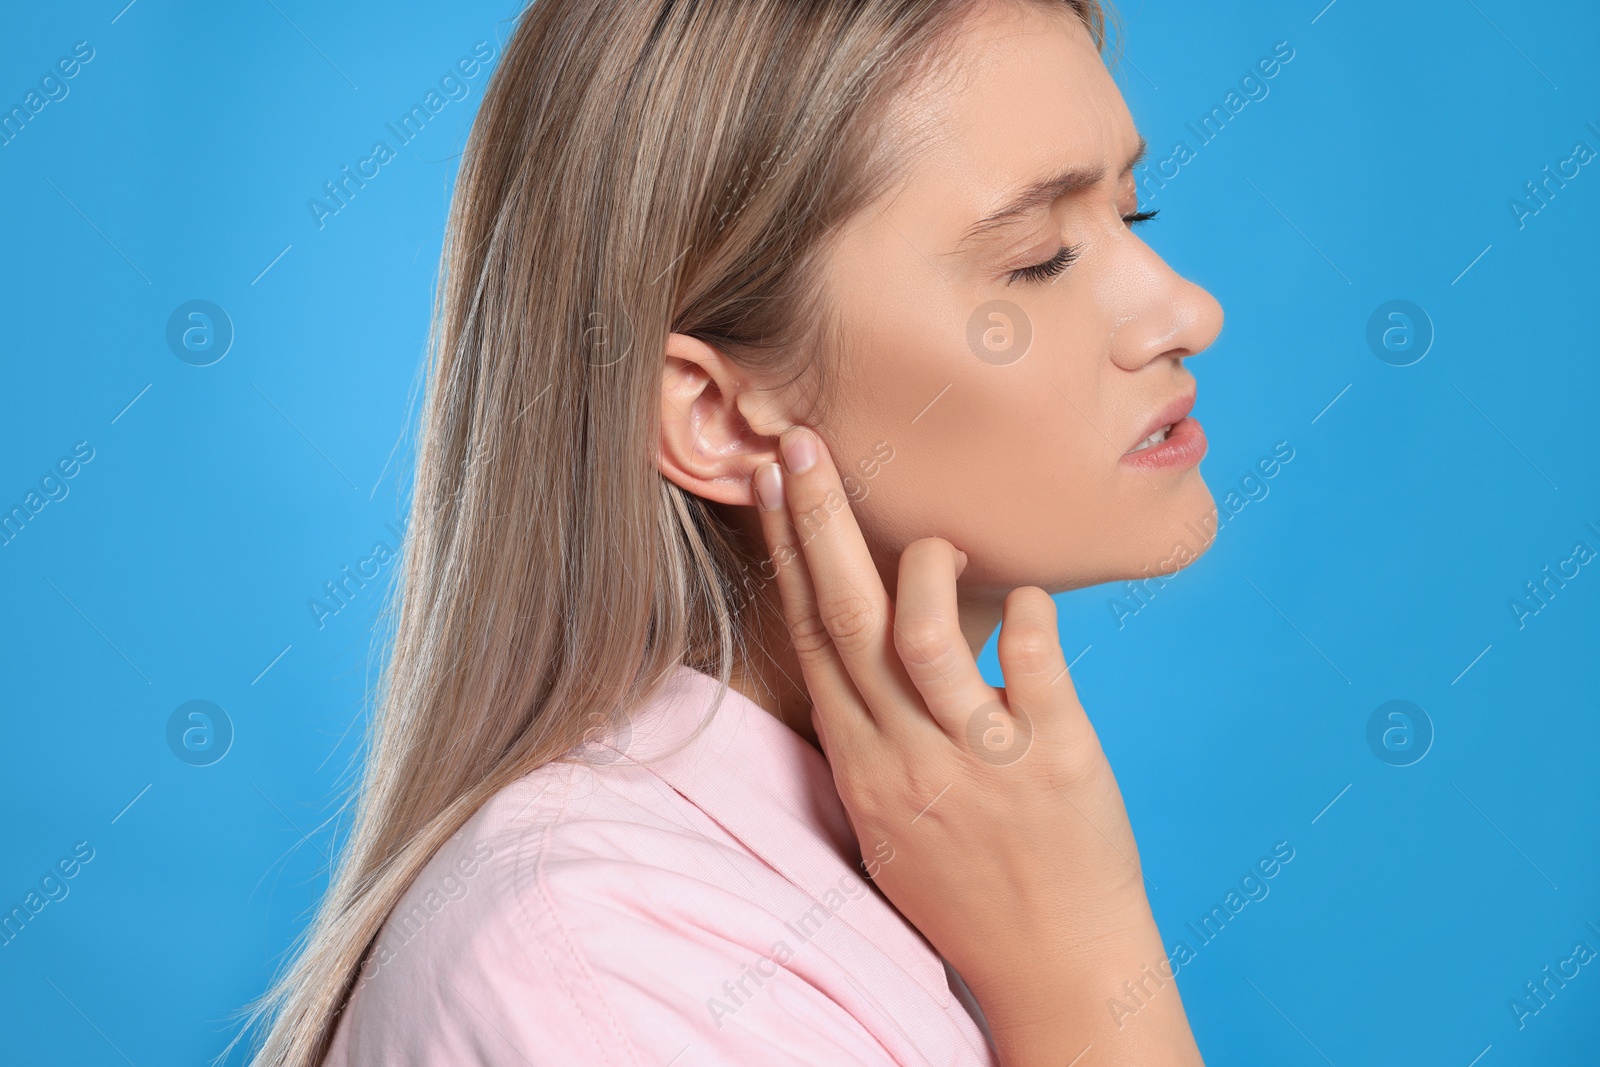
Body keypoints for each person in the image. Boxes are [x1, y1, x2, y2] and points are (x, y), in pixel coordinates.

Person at [232, 0, 1223, 1063]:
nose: (1186, 311)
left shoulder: (913, 862)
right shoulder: (605, 964)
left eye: (1133, 214)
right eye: (1035, 258)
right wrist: (1085, 970)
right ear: (712, 414)